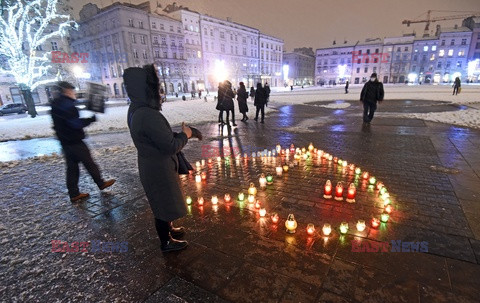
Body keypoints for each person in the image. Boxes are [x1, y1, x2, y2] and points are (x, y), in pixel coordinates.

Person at [124, 64, 193, 253]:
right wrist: (186, 134)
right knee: (163, 205)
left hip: (152, 164)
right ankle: (166, 242)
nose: (160, 92)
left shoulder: (137, 109)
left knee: (164, 202)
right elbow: (170, 145)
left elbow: (158, 137)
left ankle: (169, 230)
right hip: (158, 168)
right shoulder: (147, 114)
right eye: (157, 88)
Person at [50, 81, 115, 202]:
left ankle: (74, 193)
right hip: (74, 141)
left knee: (72, 168)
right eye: (72, 90)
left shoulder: (56, 104)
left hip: (65, 142)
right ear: (67, 91)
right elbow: (75, 123)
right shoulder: (67, 105)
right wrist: (90, 120)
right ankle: (101, 183)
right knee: (89, 162)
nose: (74, 93)